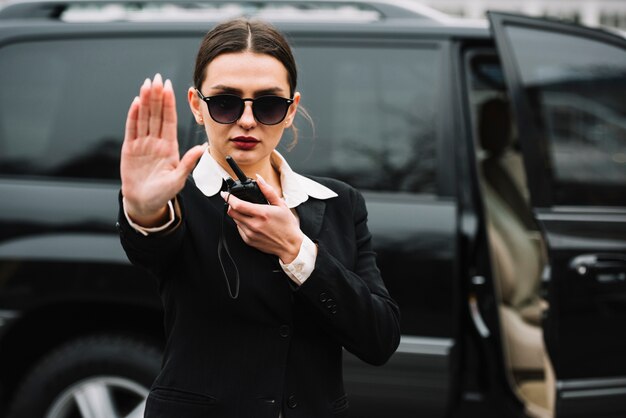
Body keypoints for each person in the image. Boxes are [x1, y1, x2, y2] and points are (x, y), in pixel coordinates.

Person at [117, 17, 401, 418]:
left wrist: (296, 250)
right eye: (225, 102)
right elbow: (151, 246)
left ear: (291, 110)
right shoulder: (176, 196)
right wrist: (144, 209)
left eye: (268, 104)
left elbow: (379, 338)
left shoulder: (339, 202)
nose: (246, 120)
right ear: (197, 106)